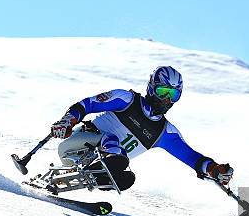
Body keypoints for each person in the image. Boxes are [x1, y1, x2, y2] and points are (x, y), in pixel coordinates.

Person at [50, 66, 234, 191]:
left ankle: (100, 176)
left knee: (127, 177)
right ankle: (103, 167)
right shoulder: (126, 100)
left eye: (173, 95)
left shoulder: (165, 132)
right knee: (113, 143)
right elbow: (87, 105)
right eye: (163, 92)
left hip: (102, 165)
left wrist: (213, 169)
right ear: (152, 88)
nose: (166, 100)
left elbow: (191, 157)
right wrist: (68, 120)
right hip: (76, 146)